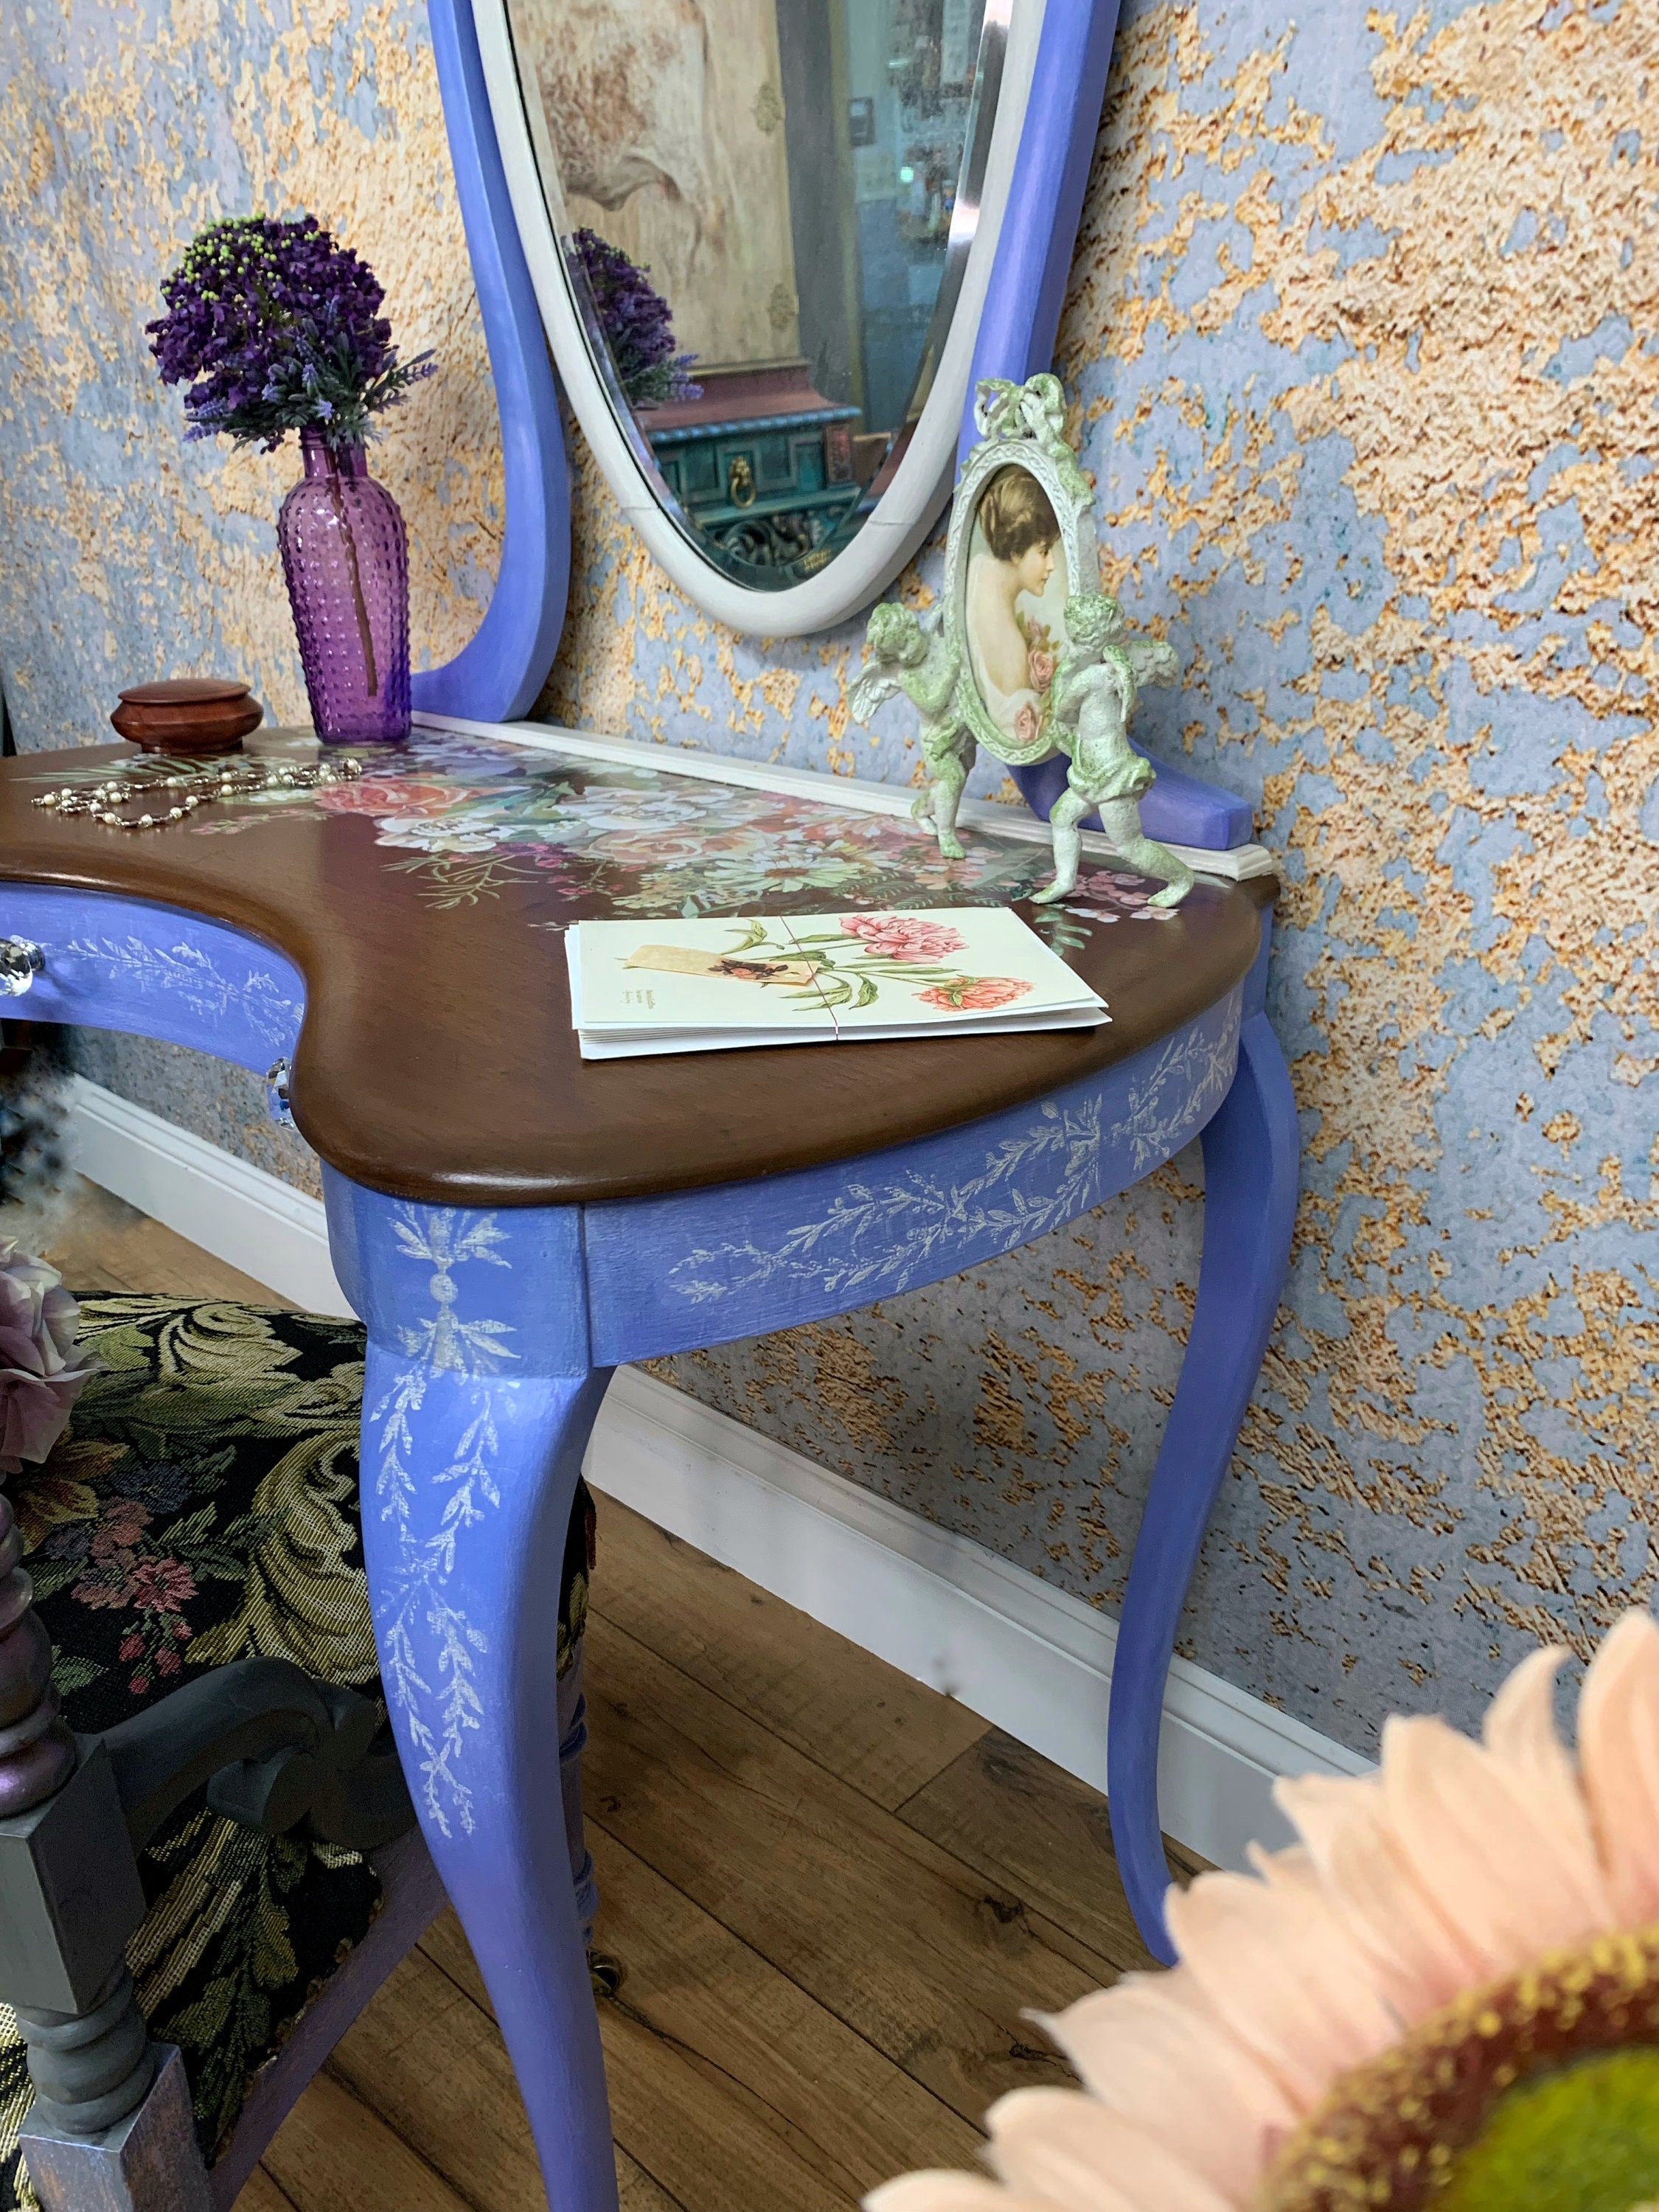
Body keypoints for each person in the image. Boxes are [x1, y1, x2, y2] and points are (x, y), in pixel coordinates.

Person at [964, 467, 1064, 751]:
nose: (1052, 565)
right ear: (1017, 552)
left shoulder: (978, 569)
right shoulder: (1014, 653)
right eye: (1044, 551)